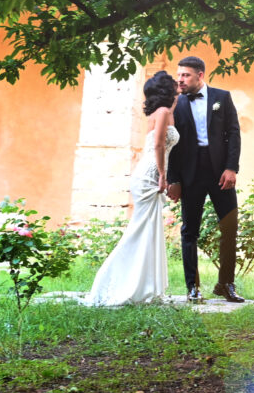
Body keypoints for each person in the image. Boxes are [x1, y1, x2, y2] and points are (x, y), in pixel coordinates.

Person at [86, 71, 179, 306]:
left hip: (148, 173)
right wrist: (162, 175)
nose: (178, 86)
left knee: (148, 231)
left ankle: (144, 287)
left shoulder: (162, 112)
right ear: (168, 91)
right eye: (174, 85)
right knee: (139, 230)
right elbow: (158, 144)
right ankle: (110, 282)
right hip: (150, 174)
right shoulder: (164, 113)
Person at [166, 55, 245, 303]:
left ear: (200, 75)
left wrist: (231, 168)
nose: (180, 79)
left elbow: (234, 133)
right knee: (190, 230)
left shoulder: (222, 97)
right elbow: (171, 146)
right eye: (179, 75)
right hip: (190, 172)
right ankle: (193, 287)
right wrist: (173, 179)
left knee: (229, 227)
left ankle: (226, 284)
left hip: (220, 171)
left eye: (186, 75)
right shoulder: (175, 103)